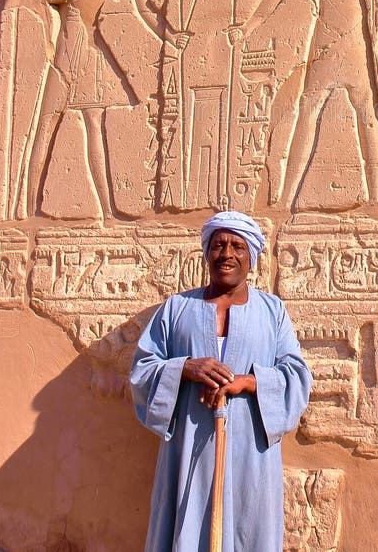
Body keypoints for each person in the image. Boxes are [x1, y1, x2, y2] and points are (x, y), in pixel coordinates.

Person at [130, 211, 312, 551]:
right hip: (188, 452)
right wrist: (186, 368)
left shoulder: (272, 312)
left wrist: (249, 382)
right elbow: (142, 370)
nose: (227, 254)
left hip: (250, 457)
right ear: (207, 253)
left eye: (237, 246)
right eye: (218, 245)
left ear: (251, 257)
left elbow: (297, 377)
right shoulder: (176, 309)